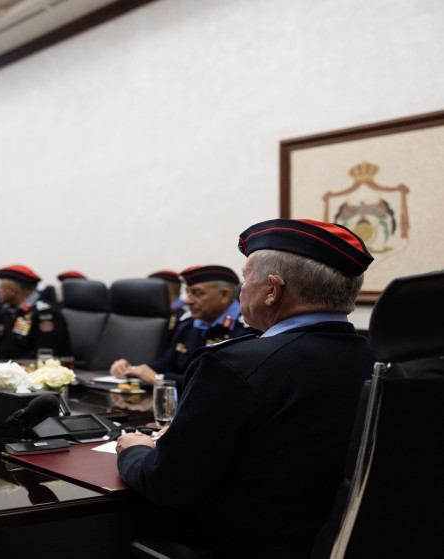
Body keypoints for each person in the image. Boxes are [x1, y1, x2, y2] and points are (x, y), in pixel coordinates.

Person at [116, 218, 400, 558]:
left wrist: (135, 450)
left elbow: (168, 484)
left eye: (246, 279)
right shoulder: (387, 365)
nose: (241, 291)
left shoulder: (234, 365)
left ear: (272, 290)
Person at [110, 265, 257, 389]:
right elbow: (168, 362)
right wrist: (133, 369)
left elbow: (218, 382)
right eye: (187, 293)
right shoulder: (188, 323)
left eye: (197, 294)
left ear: (224, 295)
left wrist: (161, 380)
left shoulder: (248, 329)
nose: (187, 301)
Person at [0, 265, 70, 360]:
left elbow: (44, 354)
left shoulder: (45, 314)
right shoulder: (7, 310)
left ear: (12, 290)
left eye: (1, 287)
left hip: (26, 367)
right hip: (3, 365)